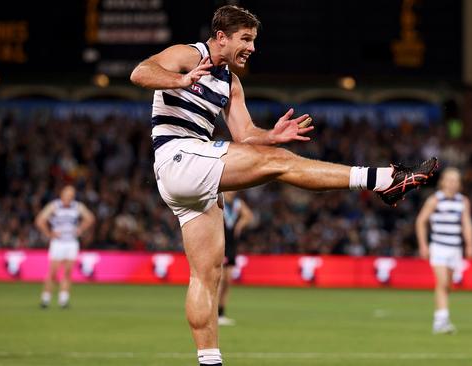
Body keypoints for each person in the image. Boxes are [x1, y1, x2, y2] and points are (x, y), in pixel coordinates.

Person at [130, 5, 437, 365]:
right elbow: (140, 72)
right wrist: (179, 80)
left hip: (190, 176)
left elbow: (245, 135)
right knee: (279, 166)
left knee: (207, 276)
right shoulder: (188, 54)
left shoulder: (231, 82)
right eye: (245, 39)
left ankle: (208, 360)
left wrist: (271, 135)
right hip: (180, 155)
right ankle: (385, 179)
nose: (252, 48)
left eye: (254, 40)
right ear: (221, 37)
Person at [415, 168, 472, 334]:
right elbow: (421, 221)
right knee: (441, 283)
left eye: (456, 180)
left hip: (454, 248)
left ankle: (442, 318)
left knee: (448, 285)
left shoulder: (463, 201)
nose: (452, 183)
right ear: (443, 182)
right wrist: (423, 245)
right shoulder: (435, 200)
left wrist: (469, 244)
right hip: (439, 247)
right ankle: (440, 321)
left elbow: (467, 223)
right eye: (449, 180)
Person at [35, 185, 95, 309]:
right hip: (58, 243)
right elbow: (40, 220)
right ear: (62, 195)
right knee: (53, 272)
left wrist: (80, 229)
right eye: (67, 194)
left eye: (71, 195)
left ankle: (63, 300)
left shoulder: (77, 206)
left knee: (67, 272)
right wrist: (49, 234)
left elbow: (90, 218)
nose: (69, 197)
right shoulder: (54, 206)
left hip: (71, 242)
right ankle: (45, 299)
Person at [218, 191, 254, 326]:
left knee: (228, 280)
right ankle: (212, 313)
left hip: (232, 245)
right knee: (219, 280)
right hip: (220, 243)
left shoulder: (237, 204)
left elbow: (249, 215)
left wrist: (239, 225)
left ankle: (221, 313)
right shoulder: (218, 200)